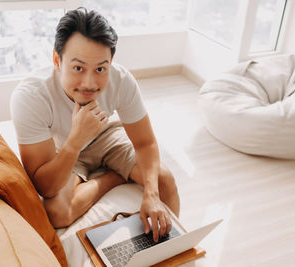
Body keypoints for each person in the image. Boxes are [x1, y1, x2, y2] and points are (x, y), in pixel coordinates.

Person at [10, 7, 180, 242]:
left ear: (111, 62)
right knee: (57, 212)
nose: (89, 83)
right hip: (64, 148)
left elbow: (145, 142)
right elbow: (45, 187)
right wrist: (76, 140)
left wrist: (151, 194)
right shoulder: (30, 96)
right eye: (78, 68)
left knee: (164, 180)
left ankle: (171, 250)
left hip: (107, 134)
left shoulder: (121, 79)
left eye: (100, 69)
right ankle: (113, 176)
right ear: (57, 61)